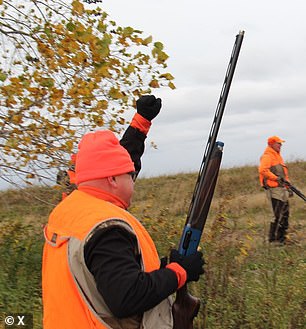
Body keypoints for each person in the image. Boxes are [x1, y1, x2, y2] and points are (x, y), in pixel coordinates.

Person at [42, 96, 205, 329]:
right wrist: (179, 271)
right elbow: (126, 296)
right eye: (130, 175)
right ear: (112, 179)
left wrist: (141, 123)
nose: (134, 181)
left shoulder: (70, 211)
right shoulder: (106, 227)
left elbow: (104, 279)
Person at [56, 95, 162, 199]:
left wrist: (142, 119)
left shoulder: (84, 186)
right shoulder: (96, 203)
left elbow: (124, 158)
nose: (131, 182)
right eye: (129, 175)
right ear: (111, 179)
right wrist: (142, 119)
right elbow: (122, 161)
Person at [258, 135, 292, 243]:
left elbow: (284, 175)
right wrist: (276, 178)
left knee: (285, 214)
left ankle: (281, 238)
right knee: (278, 215)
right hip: (274, 190)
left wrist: (288, 187)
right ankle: (273, 240)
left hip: (282, 189)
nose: (280, 145)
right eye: (278, 143)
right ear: (271, 144)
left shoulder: (277, 156)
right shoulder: (267, 156)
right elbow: (263, 170)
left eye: (281, 143)